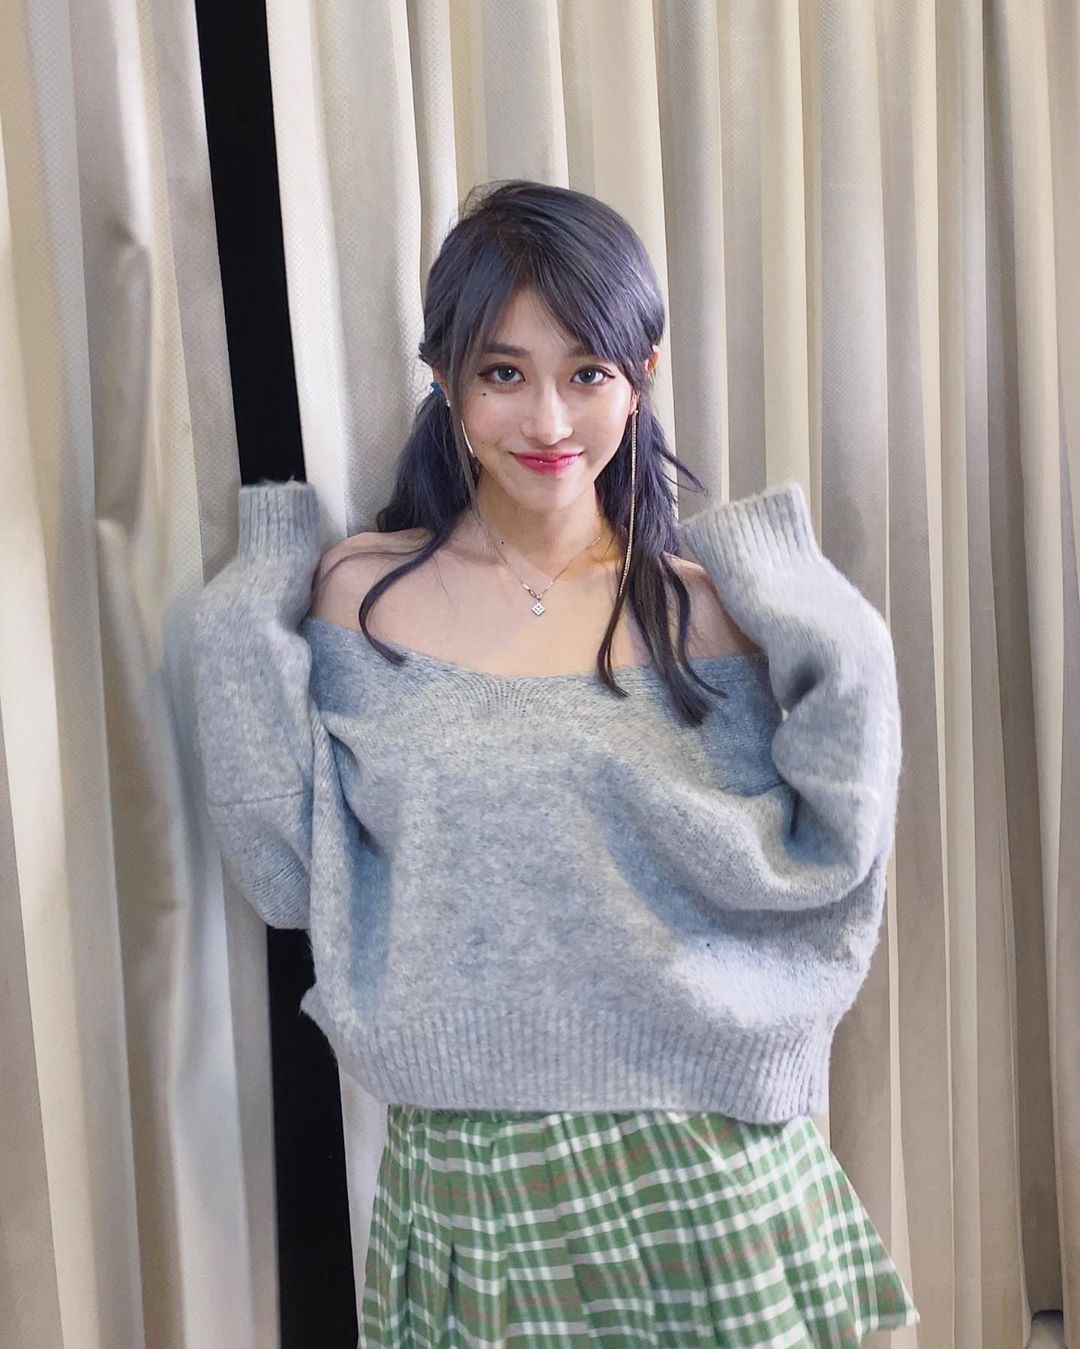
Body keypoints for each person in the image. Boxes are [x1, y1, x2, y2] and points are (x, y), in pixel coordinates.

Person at [191, 179, 920, 1345]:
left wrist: (786, 575)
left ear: (642, 375)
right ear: (445, 377)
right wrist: (252, 591)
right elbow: (287, 872)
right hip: (474, 1176)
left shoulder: (712, 613)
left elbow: (840, 848)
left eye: (588, 372)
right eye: (503, 371)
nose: (546, 420)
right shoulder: (360, 597)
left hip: (703, 1162)